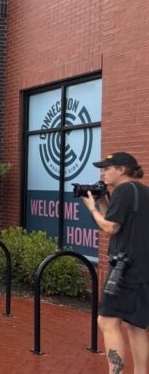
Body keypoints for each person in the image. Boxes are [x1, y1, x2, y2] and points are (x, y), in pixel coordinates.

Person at [81, 152, 149, 374]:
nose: (103, 172)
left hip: (124, 271)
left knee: (108, 322)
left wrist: (91, 207)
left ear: (121, 169)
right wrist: (102, 200)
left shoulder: (123, 191)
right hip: (143, 270)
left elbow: (111, 227)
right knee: (136, 326)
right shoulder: (143, 192)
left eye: (106, 168)